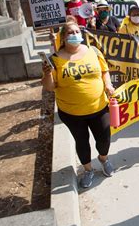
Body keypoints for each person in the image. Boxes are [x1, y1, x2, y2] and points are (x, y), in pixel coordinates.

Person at [41, 22, 116, 188]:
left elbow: (104, 71)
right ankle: (88, 170)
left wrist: (108, 85)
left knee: (104, 139)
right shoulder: (55, 60)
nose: (74, 34)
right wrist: (47, 75)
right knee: (82, 142)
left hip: (99, 107)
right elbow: (50, 87)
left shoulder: (93, 51)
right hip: (71, 113)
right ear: (63, 37)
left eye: (77, 31)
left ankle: (103, 159)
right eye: (70, 32)